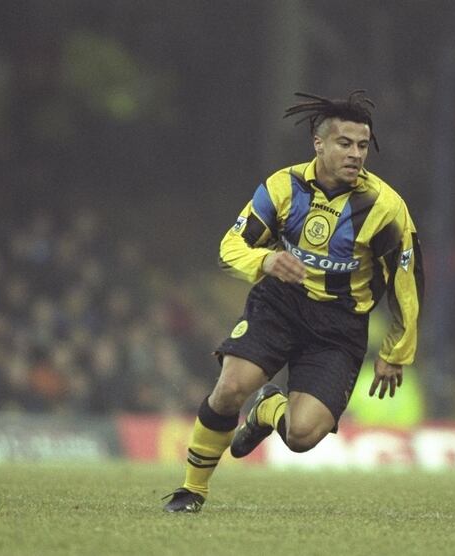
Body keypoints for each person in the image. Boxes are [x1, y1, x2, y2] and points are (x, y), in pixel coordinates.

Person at [162, 90, 424, 513]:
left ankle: (268, 409)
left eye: (362, 145)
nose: (356, 154)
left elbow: (407, 282)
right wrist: (266, 260)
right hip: (280, 306)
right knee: (230, 388)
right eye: (345, 143)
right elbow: (230, 247)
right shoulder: (283, 187)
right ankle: (191, 490)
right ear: (318, 143)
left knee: (301, 436)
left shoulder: (386, 208)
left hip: (339, 327)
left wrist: (397, 350)